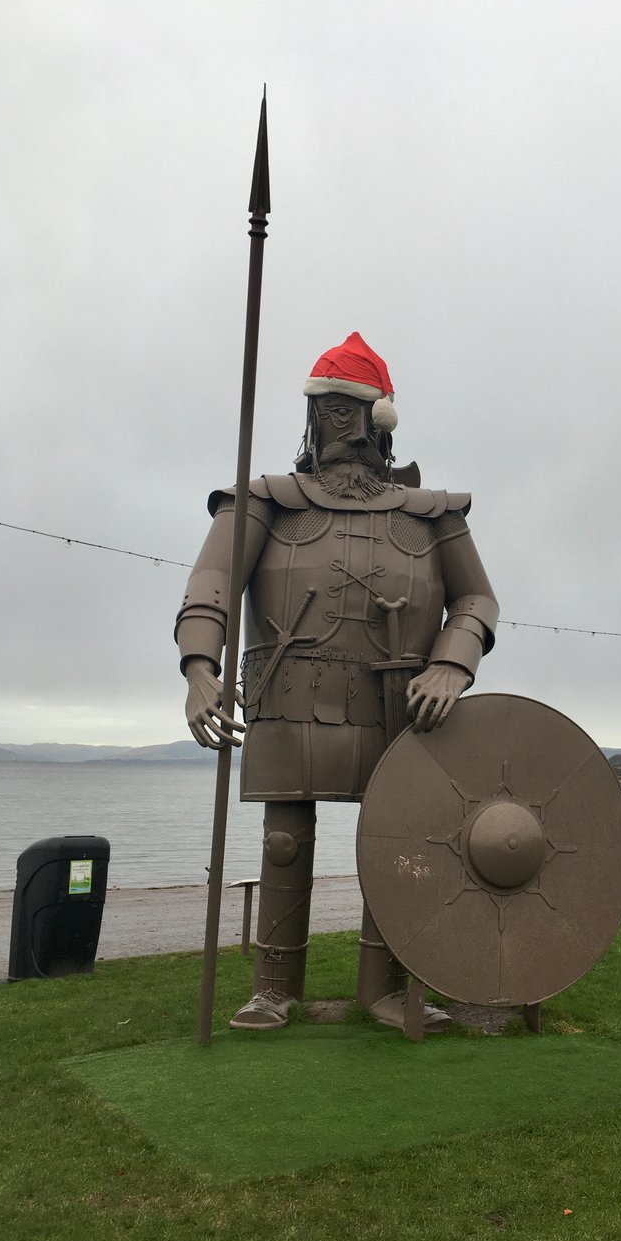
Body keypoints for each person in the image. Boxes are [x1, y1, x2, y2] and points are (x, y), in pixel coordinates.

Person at [176, 333, 498, 1032]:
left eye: (347, 411)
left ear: (378, 421)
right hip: (289, 700)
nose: (334, 427)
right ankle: (273, 986)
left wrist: (451, 661)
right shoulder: (263, 501)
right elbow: (210, 586)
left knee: (397, 839)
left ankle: (383, 988)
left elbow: (476, 601)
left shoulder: (434, 513)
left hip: (400, 707)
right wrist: (200, 668)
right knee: (284, 841)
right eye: (322, 410)